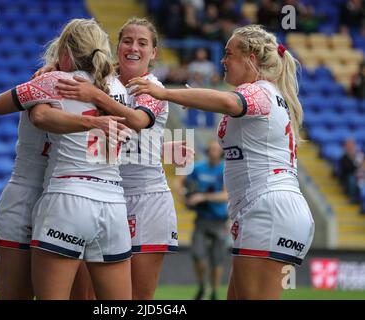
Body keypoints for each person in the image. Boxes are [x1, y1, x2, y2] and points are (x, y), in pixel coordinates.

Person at [128, 24, 315, 300]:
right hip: (267, 209)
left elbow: (228, 102)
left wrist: (164, 92)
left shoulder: (259, 91)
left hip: (269, 210)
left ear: (251, 59)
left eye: (229, 54)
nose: (222, 60)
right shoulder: (268, 94)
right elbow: (225, 103)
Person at [0, 18, 133, 300]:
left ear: (65, 52)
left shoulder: (51, 81)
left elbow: (1, 106)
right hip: (104, 197)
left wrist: (43, 80)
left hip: (59, 194)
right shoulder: (117, 88)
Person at [53, 17, 187, 300]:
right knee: (84, 295)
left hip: (147, 200)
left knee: (135, 299)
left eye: (142, 43)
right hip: (100, 195)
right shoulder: (102, 81)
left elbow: (138, 120)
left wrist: (95, 96)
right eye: (127, 41)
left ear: (154, 53)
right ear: (117, 47)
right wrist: (49, 69)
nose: (133, 48)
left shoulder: (152, 87)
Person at [181, 140, 228, 300]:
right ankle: (202, 286)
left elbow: (225, 195)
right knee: (198, 255)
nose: (213, 152)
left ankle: (214, 291)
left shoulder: (225, 169)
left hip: (219, 220)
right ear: (208, 150)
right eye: (211, 149)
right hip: (201, 219)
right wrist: (184, 195)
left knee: (217, 261)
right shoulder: (198, 167)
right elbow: (182, 183)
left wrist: (202, 196)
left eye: (216, 149)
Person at [338, 138, 363, 202]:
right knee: (352, 179)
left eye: (352, 145)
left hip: (359, 174)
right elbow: (348, 169)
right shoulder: (344, 156)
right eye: (349, 145)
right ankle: (352, 197)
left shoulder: (358, 154)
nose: (350, 147)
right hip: (348, 176)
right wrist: (358, 166)